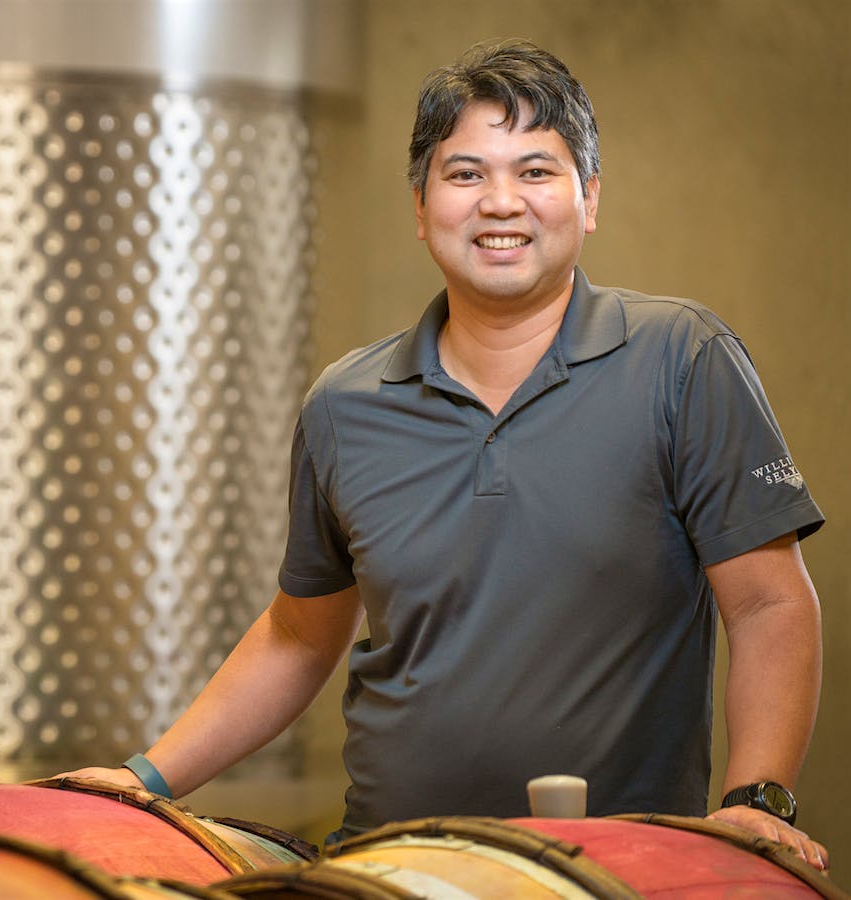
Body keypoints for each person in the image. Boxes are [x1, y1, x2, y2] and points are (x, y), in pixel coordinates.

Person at [62, 39, 829, 872]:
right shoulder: (345, 405)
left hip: (608, 875)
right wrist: (145, 779)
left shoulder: (682, 360)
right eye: (466, 174)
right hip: (386, 866)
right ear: (422, 209)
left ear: (590, 198)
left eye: (536, 172)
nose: (502, 203)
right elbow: (296, 635)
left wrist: (756, 801)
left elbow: (768, 606)